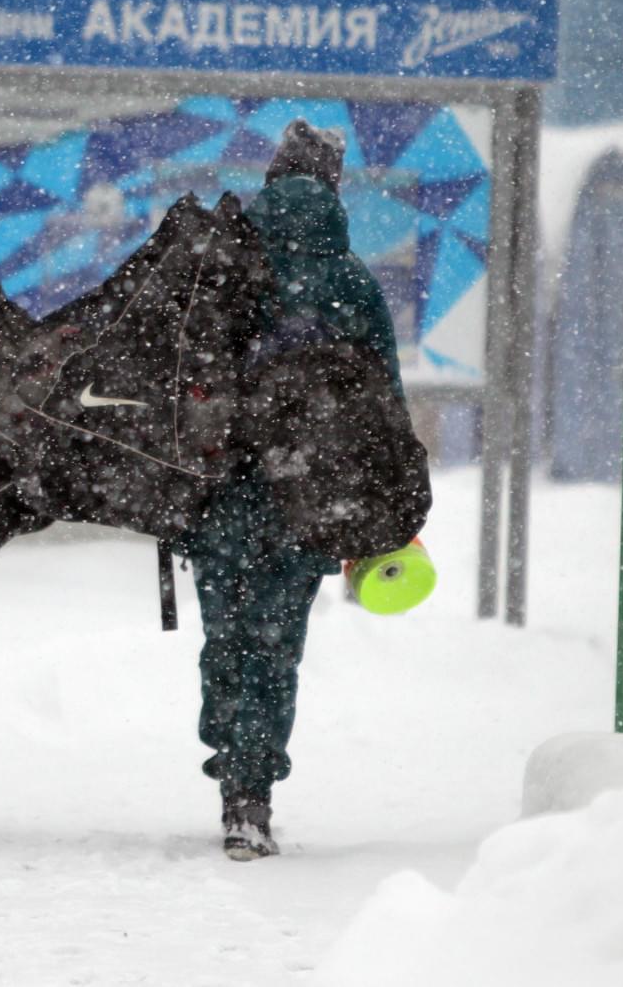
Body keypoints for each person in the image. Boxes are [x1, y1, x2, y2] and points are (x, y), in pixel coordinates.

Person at [176, 119, 408, 861]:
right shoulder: (353, 282)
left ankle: (229, 759)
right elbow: (386, 404)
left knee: (226, 638)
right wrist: (392, 499)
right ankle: (253, 793)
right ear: (333, 189)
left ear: (273, 179)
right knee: (275, 647)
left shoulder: (223, 261)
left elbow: (172, 372)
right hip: (310, 498)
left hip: (220, 493)